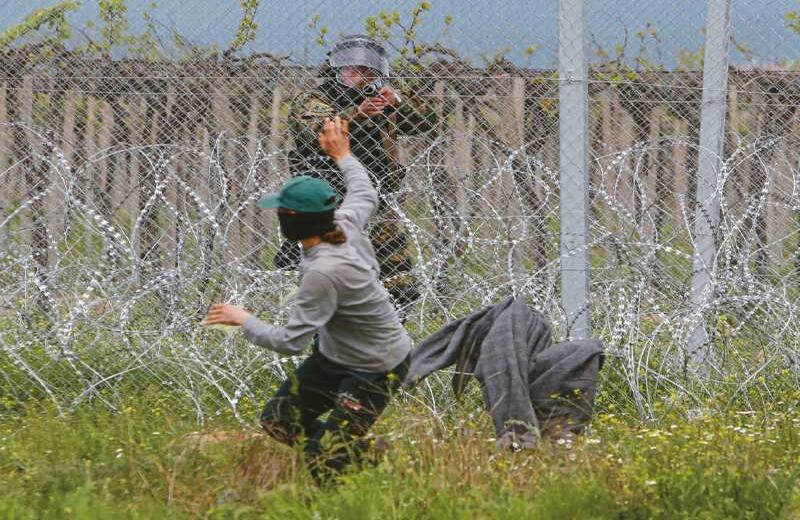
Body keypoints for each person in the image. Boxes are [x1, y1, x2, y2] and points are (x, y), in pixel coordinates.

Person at [203, 116, 411, 484]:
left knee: (323, 461)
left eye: (281, 211)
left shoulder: (324, 273)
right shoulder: (343, 221)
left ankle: (343, 473)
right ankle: (363, 455)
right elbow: (365, 192)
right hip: (335, 357)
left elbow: (291, 341)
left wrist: (243, 319)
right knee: (278, 420)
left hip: (375, 367)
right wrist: (342, 154)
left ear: (292, 219)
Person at [277, 34, 437, 314]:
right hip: (331, 205)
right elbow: (317, 131)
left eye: (365, 70)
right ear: (335, 70)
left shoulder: (379, 100)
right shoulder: (316, 99)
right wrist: (357, 115)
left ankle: (387, 344)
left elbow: (426, 121)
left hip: (375, 202)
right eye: (350, 69)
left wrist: (396, 100)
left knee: (399, 287)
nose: (357, 75)